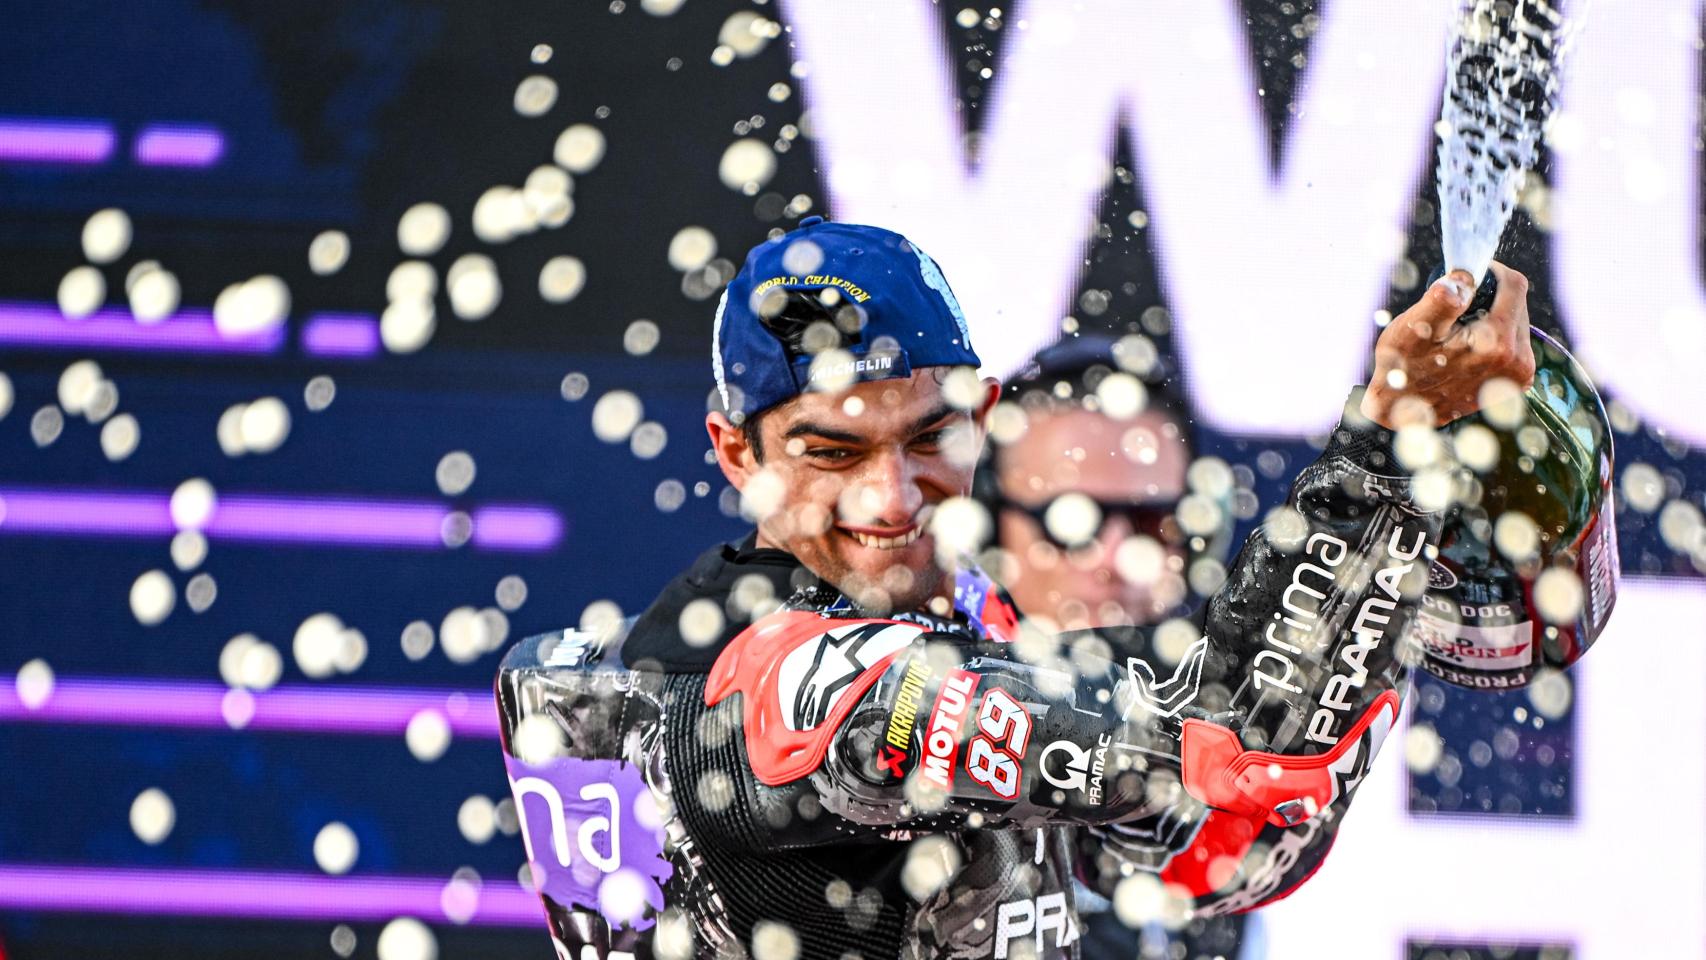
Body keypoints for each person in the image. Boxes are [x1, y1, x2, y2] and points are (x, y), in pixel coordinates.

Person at [495, 216, 1541, 960]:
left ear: (980, 413)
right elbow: (1215, 751)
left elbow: (1223, 852)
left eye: (926, 436)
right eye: (827, 450)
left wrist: (1382, 623)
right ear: (734, 453)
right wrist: (1395, 441)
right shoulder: (727, 657)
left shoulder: (948, 624)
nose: (890, 497)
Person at [986, 340, 1256, 958]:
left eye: (1148, 523)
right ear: (989, 524)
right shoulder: (908, 742)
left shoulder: (1223, 775)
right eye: (1070, 521)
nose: (1117, 560)